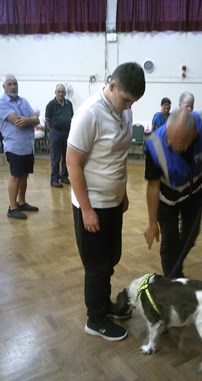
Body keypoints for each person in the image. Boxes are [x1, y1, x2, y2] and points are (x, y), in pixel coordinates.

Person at [66, 62, 145, 341]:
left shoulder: (125, 111)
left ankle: (104, 305)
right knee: (96, 265)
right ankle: (95, 319)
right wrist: (87, 210)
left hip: (113, 202)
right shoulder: (89, 114)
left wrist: (122, 192)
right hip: (93, 204)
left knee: (111, 258)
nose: (128, 105)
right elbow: (72, 163)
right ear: (111, 85)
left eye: (133, 102)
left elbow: (118, 156)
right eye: (125, 99)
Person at [144, 107, 202, 278]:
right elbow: (152, 187)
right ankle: (174, 280)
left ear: (195, 134)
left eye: (181, 145)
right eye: (171, 141)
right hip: (167, 198)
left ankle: (174, 267)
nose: (174, 147)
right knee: (170, 241)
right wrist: (152, 223)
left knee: (191, 235)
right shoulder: (154, 145)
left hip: (193, 191)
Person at [0, 74, 40, 220]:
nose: (13, 86)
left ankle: (22, 202)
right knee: (16, 177)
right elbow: (18, 121)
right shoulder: (2, 103)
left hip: (27, 146)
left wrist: (30, 119)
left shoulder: (24, 101)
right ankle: (12, 207)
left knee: (24, 176)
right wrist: (31, 119)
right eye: (10, 84)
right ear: (4, 87)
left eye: (15, 83)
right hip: (14, 146)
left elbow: (36, 119)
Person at [45, 84, 74, 188]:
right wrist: (52, 131)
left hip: (67, 132)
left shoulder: (69, 104)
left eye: (62, 92)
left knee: (66, 156)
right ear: (55, 93)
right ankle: (54, 179)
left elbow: (72, 117)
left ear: (65, 93)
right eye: (59, 92)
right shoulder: (50, 105)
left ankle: (64, 176)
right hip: (56, 132)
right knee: (56, 157)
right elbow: (47, 120)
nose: (61, 93)